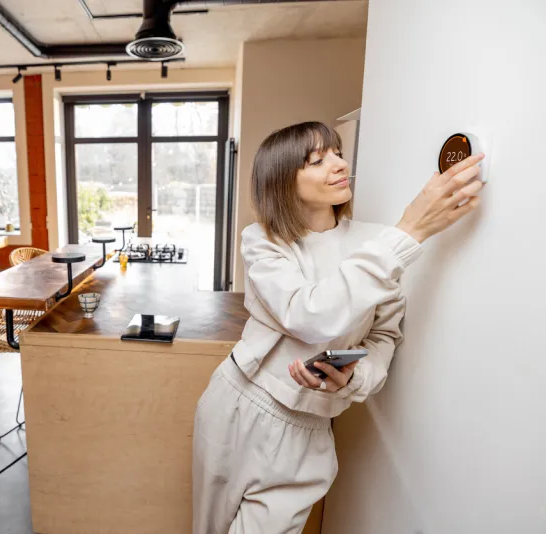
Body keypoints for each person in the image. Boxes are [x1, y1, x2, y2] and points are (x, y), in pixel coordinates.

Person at [192, 121, 484, 534]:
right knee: (210, 527)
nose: (339, 164)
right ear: (282, 181)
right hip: (239, 402)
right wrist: (411, 230)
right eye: (317, 159)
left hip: (309, 426)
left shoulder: (379, 241)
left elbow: (384, 335)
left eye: (338, 152)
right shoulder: (262, 240)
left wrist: (355, 376)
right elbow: (309, 315)